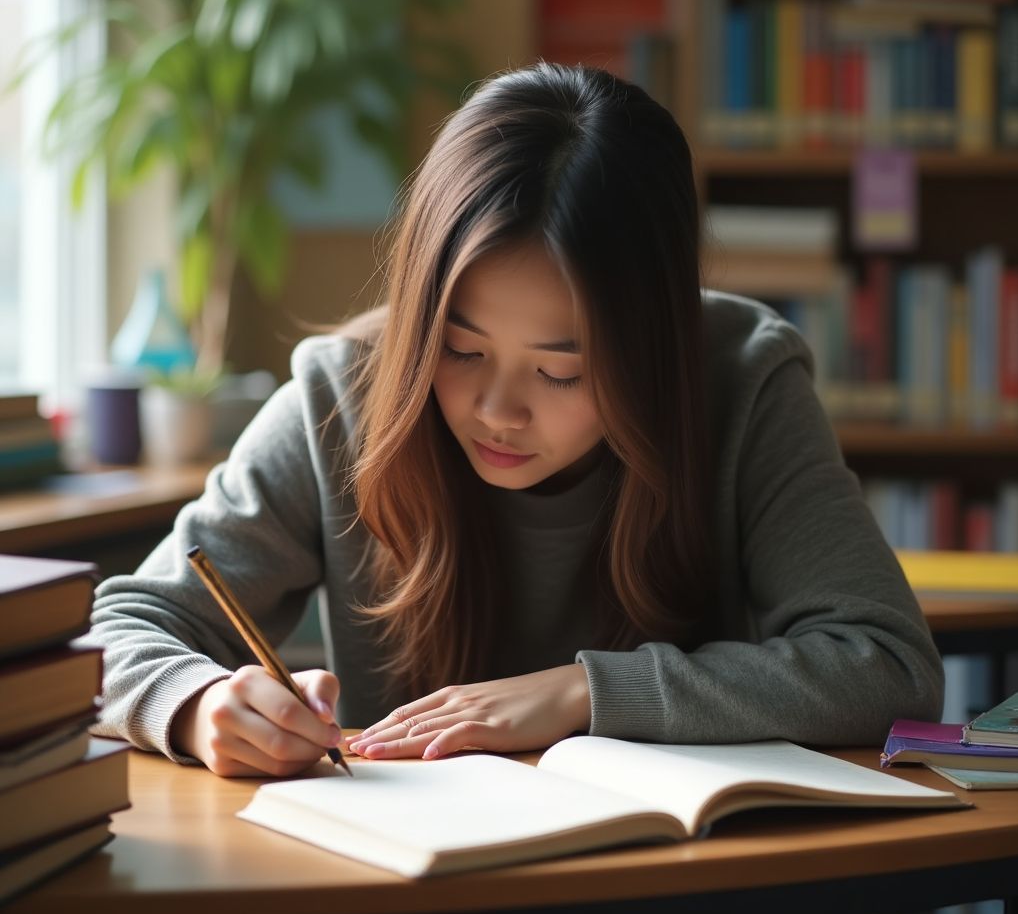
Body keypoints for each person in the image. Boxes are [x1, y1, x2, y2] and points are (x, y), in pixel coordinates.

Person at [87, 62, 943, 777]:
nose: (498, 411)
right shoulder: (345, 394)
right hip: (416, 884)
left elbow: (888, 665)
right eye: (459, 351)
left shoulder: (740, 378)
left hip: (668, 884)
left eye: (561, 370)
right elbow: (114, 631)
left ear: (652, 347)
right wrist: (197, 704)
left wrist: (581, 692)